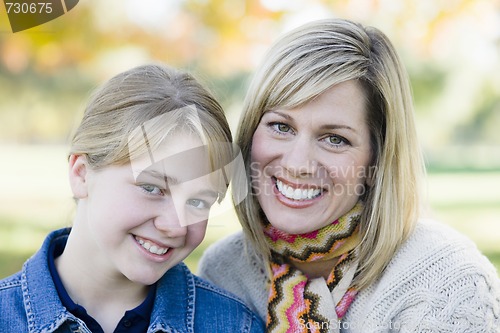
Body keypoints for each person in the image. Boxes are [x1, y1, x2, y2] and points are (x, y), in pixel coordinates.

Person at [198, 18, 500, 332]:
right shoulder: (225, 271)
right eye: (281, 126)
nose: (298, 163)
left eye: (335, 139)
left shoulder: (447, 281)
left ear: (378, 159)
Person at [0, 64, 264, 333]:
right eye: (152, 188)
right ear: (81, 175)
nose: (176, 226)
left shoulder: (235, 325)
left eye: (198, 202)